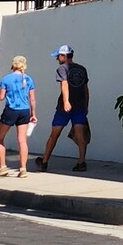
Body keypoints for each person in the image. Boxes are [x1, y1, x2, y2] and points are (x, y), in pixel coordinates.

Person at [37, 44, 91, 172]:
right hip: (80, 106)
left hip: (64, 108)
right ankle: (81, 162)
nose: (57, 59)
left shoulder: (62, 69)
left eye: (58, 56)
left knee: (54, 135)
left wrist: (66, 102)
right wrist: (86, 104)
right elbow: (85, 88)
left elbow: (64, 85)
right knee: (80, 136)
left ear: (64, 56)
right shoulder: (82, 69)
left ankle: (44, 162)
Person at [0, 56, 36, 178]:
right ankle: (23, 169)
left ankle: (2, 167)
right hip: (25, 111)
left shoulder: (6, 79)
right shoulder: (29, 79)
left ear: (13, 65)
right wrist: (33, 114)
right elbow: (32, 98)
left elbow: (1, 97)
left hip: (11, 110)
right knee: (22, 140)